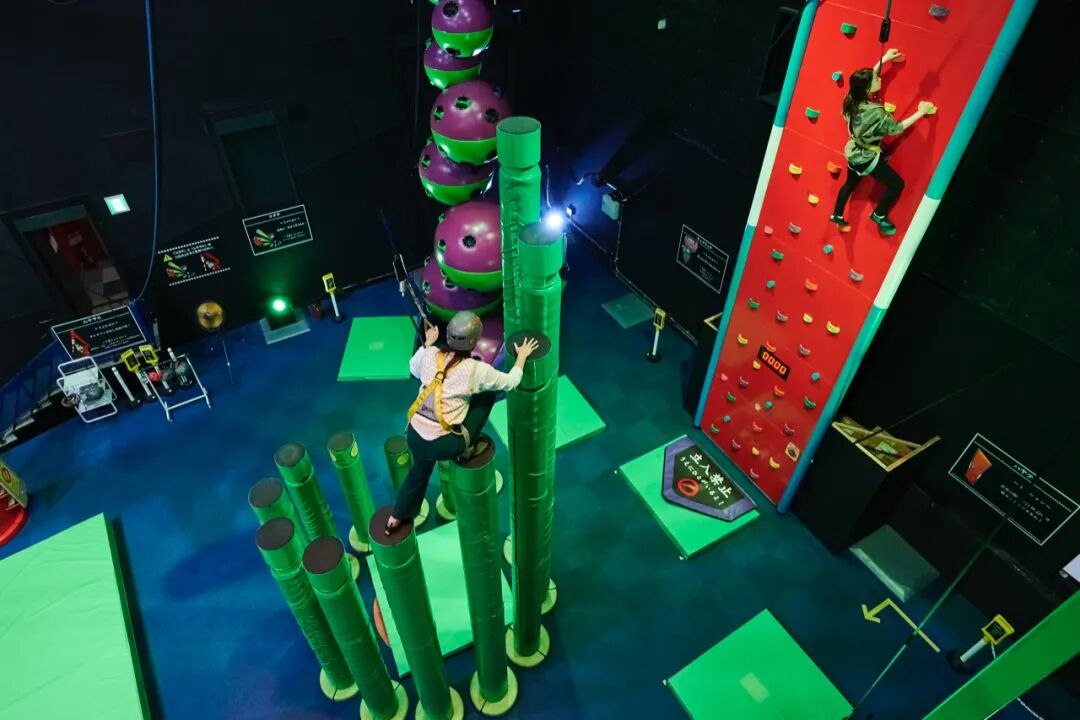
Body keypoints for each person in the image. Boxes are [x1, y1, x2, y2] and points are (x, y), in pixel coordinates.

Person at [385, 311, 539, 533]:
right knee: (486, 396)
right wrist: (522, 356)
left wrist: (428, 344)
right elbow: (511, 382)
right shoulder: (476, 370)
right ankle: (467, 448)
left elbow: (413, 368)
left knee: (419, 472)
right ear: (474, 341)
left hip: (415, 437)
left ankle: (396, 517)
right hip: (445, 445)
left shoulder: (430, 354)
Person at [830, 48, 936, 236]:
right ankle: (879, 214)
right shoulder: (877, 113)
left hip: (852, 152)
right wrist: (921, 111)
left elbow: (867, 78)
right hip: (867, 159)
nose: (879, 78)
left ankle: (837, 214)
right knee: (897, 184)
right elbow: (897, 128)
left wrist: (885, 59)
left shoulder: (851, 98)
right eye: (876, 79)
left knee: (849, 184)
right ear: (867, 88)